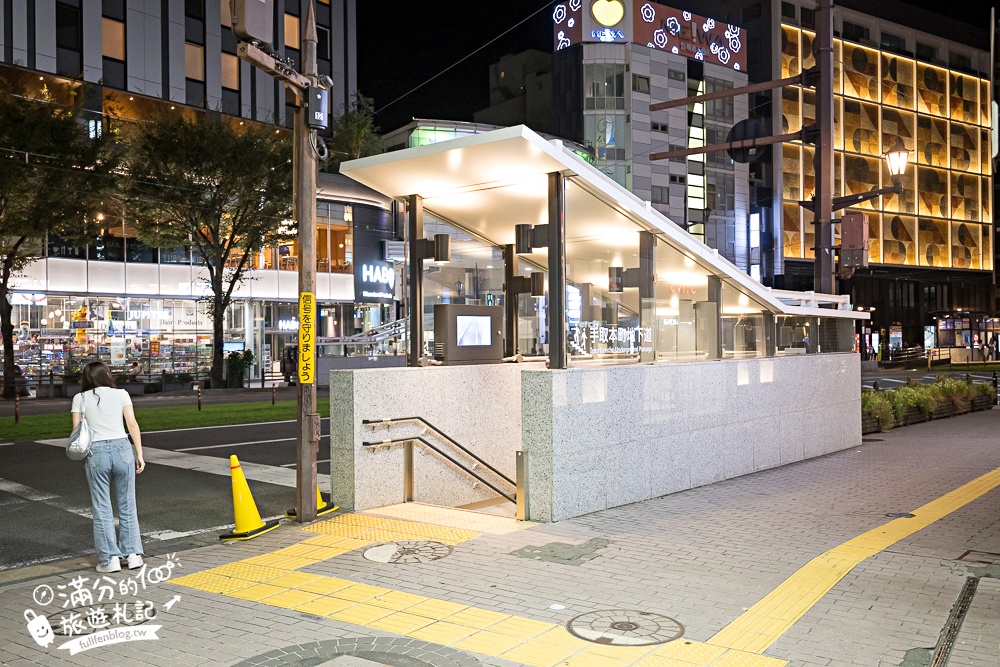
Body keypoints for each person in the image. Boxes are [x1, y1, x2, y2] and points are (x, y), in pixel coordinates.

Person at [71, 361, 146, 573]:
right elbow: (132, 424)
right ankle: (133, 555)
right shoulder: (121, 394)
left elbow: (77, 431)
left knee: (102, 506)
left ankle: (110, 559)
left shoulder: (80, 399)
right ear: (107, 375)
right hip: (123, 448)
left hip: (97, 452)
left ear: (86, 378)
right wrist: (139, 453)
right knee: (128, 504)